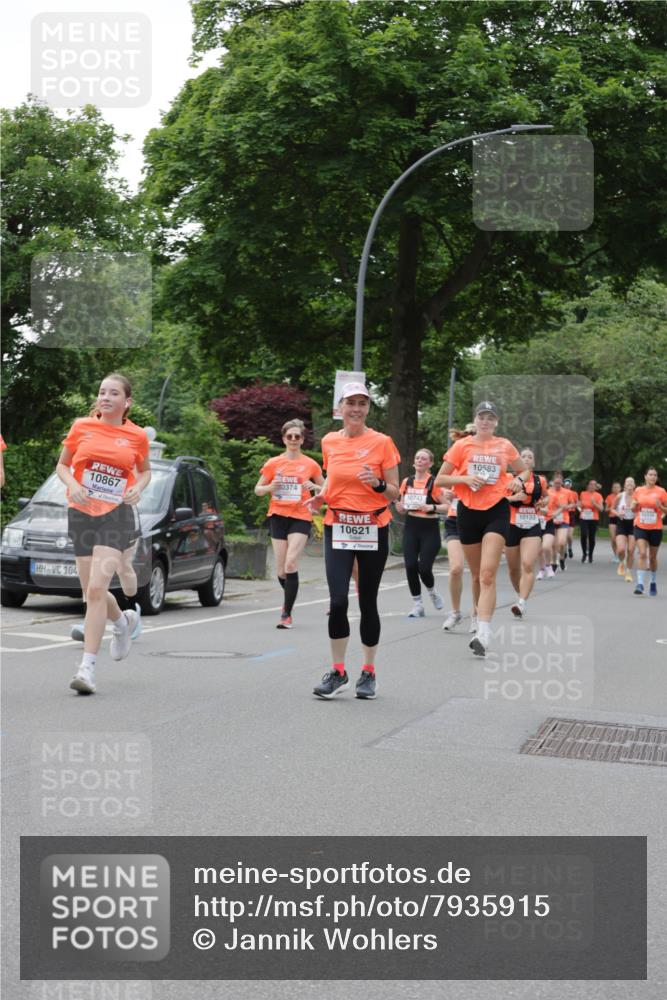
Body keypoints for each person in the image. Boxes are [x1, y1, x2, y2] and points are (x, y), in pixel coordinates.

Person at [56, 373, 151, 694]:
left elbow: (145, 471)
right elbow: (63, 467)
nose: (106, 397)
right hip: (81, 513)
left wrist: (137, 487)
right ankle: (123, 622)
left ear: (127, 402)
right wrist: (73, 485)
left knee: (98, 588)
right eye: (102, 392)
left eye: (113, 393)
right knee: (90, 594)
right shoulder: (81, 427)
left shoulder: (137, 436)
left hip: (116, 514)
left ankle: (87, 669)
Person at [307, 383, 400, 699]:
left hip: (373, 526)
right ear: (340, 408)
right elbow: (332, 477)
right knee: (337, 601)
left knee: (367, 600)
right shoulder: (330, 441)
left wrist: (376, 483)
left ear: (368, 408)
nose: (356, 409)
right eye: (351, 403)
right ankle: (338, 671)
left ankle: (368, 672)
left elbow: (395, 491)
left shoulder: (382, 443)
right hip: (338, 524)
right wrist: (321, 496)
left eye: (362, 403)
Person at [435, 401, 529, 656]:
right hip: (467, 511)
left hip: (496, 510)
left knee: (488, 574)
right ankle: (477, 617)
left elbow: (524, 470)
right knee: (476, 575)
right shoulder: (461, 446)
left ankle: (484, 633)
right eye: (481, 417)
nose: (486, 421)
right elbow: (440, 479)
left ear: (496, 422)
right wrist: (464, 478)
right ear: (475, 420)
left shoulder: (505, 445)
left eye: (491, 417)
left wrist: (518, 482)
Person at [254, 419, 324, 628]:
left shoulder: (311, 464)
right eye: (290, 436)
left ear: (302, 439)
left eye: (297, 436)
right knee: (282, 570)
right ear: (284, 439)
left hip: (301, 516)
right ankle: (290, 596)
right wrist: (269, 488)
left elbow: (326, 488)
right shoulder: (273, 463)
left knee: (291, 563)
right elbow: (258, 489)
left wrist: (314, 486)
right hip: (278, 515)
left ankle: (286, 613)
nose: (293, 439)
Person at [395, 448, 451, 618]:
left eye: (424, 459)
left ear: (430, 463)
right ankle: (417, 604)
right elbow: (402, 506)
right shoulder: (407, 481)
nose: (420, 460)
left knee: (424, 568)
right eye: (417, 458)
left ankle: (433, 592)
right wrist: (401, 507)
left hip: (429, 527)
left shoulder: (434, 483)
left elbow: (447, 506)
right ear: (414, 461)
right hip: (412, 526)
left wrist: (432, 507)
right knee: (411, 565)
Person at [441, 426, 477, 632]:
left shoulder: (487, 464)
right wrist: (447, 493)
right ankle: (455, 612)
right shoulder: (454, 463)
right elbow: (443, 485)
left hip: (477, 519)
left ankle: (476, 614)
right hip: (455, 519)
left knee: (476, 572)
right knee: (455, 568)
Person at [505, 448, 547, 618]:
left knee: (528, 564)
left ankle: (522, 603)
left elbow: (546, 496)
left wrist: (543, 502)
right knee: (514, 570)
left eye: (530, 457)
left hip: (532, 525)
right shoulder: (508, 478)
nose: (527, 459)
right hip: (511, 525)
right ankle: (520, 595)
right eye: (524, 457)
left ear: (534, 462)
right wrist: (514, 498)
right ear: (518, 461)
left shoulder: (540, 480)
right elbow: (497, 498)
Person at [632, 467, 667, 596]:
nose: (653, 477)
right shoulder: (638, 490)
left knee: (652, 558)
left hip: (655, 528)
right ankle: (640, 584)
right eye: (650, 474)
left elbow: (666, 511)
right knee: (642, 553)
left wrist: (660, 506)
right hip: (640, 526)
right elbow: (633, 507)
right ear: (645, 477)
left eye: (655, 475)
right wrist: (633, 506)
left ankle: (653, 582)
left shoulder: (661, 492)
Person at [545, 473, 575, 572]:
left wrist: (565, 507)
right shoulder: (548, 492)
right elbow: (544, 504)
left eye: (559, 483)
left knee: (562, 542)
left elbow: (572, 504)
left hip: (563, 519)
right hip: (551, 519)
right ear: (553, 482)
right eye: (556, 483)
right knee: (553, 544)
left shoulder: (567, 492)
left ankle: (561, 558)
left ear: (562, 482)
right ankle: (554, 563)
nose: (557, 485)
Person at [614, 477, 637, 582]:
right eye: (628, 482)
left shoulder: (637, 496)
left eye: (631, 482)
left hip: (633, 524)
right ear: (624, 485)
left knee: (631, 550)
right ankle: (622, 563)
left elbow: (640, 509)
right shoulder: (620, 496)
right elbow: (612, 509)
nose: (629, 484)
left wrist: (637, 514)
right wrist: (619, 514)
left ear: (634, 485)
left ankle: (628, 572)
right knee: (621, 549)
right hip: (622, 523)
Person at [578, 480, 604, 563]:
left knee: (591, 537)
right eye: (590, 484)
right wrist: (579, 506)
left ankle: (590, 555)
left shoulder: (598, 495)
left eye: (594, 485)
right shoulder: (583, 494)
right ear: (588, 486)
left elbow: (601, 509)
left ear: (596, 487)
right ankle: (584, 553)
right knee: (583, 535)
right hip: (583, 517)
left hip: (594, 518)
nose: (592, 486)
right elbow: (580, 505)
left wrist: (594, 503)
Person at [605, 481, 621, 562]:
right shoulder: (609, 497)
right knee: (613, 538)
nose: (616, 489)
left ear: (620, 488)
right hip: (612, 518)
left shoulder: (623, 496)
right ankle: (616, 555)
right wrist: (612, 507)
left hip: (621, 518)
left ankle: (620, 553)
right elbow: (606, 509)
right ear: (612, 489)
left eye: (617, 487)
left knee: (620, 538)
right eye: (614, 487)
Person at [563, 478, 578, 558]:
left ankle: (570, 548)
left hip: (571, 514)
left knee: (569, 535)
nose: (567, 486)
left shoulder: (574, 493)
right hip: (564, 513)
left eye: (569, 485)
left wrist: (572, 505)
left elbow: (576, 503)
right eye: (566, 485)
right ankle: (564, 551)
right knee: (564, 535)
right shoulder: (562, 492)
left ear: (571, 485)